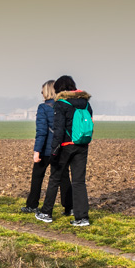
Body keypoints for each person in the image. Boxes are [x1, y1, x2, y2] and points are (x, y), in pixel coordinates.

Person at [37, 75, 92, 226]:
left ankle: (46, 213)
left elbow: (58, 130)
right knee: (79, 182)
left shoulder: (61, 104)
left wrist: (54, 151)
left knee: (54, 179)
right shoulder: (86, 103)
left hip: (65, 146)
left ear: (60, 89)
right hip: (82, 145)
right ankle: (82, 218)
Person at [22, 81, 72, 215]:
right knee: (64, 178)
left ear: (47, 91)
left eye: (42, 90)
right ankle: (69, 208)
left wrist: (36, 151)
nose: (41, 93)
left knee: (37, 177)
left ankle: (32, 205)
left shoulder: (43, 108)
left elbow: (42, 132)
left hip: (46, 149)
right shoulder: (64, 106)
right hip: (61, 148)